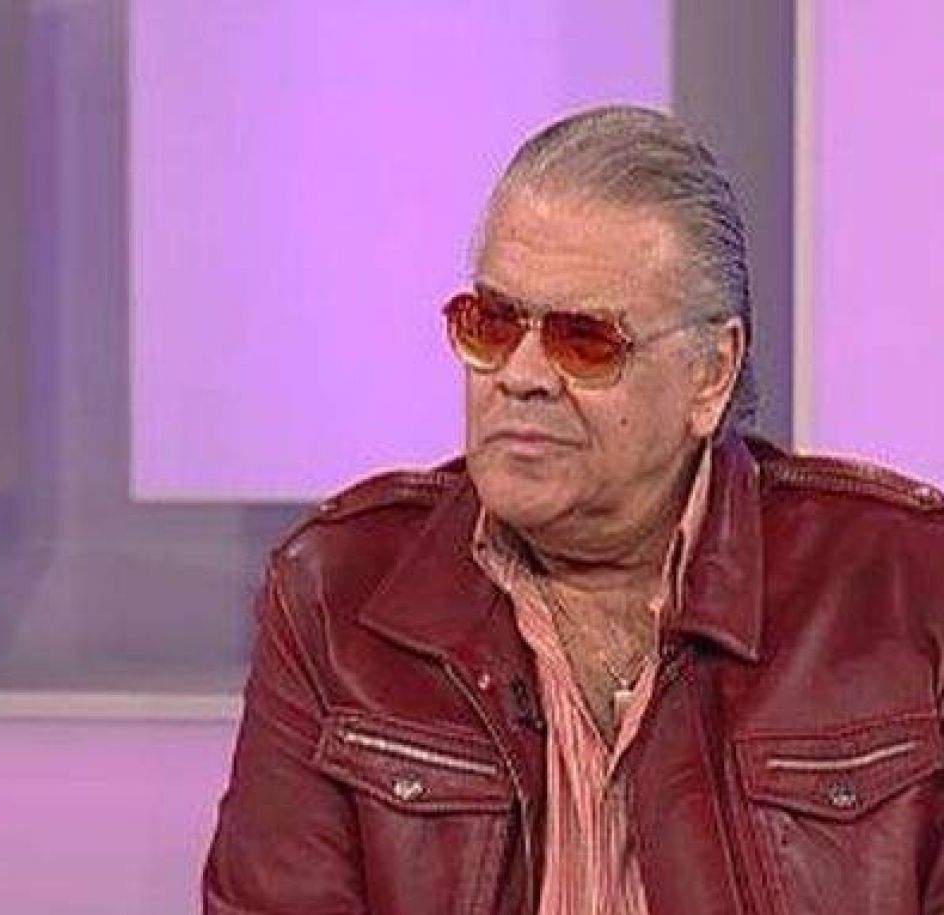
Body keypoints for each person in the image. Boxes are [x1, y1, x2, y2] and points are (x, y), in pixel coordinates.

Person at [201, 105, 944, 914]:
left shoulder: (907, 590)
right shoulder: (335, 596)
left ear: (710, 373)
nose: (520, 375)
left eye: (584, 340)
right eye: (492, 323)